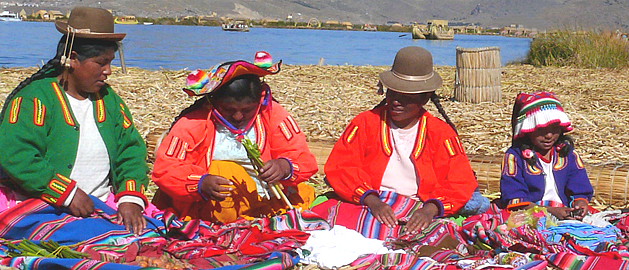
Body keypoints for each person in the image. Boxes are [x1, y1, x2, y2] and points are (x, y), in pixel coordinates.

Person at [0, 7, 150, 235]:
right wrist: (67, 193)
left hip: (103, 206)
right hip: (42, 206)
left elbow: (130, 150)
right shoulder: (34, 99)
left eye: (111, 62)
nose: (108, 71)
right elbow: (17, 155)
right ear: (73, 59)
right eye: (101, 63)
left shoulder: (109, 101)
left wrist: (130, 198)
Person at [313, 46, 486, 239]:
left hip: (419, 205)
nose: (396, 101)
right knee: (329, 225)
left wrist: (429, 210)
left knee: (438, 237)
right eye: (392, 93)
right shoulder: (364, 123)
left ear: (425, 98)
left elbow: (460, 181)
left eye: (406, 97)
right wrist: (372, 201)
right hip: (369, 201)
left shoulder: (441, 134)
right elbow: (340, 167)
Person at [150, 51, 318, 224]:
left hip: (265, 199)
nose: (238, 117)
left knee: (303, 197)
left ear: (260, 101)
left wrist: (284, 167)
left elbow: (304, 159)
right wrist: (200, 183)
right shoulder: (192, 123)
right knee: (224, 171)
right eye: (229, 110)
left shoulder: (272, 114)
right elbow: (166, 169)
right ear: (212, 101)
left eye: (247, 110)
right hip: (211, 205)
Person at [499, 92, 593, 220]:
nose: (549, 135)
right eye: (540, 129)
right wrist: (551, 212)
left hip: (565, 210)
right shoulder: (515, 157)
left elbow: (579, 186)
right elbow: (515, 198)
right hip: (531, 214)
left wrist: (580, 204)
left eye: (554, 128)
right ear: (527, 129)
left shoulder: (567, 153)